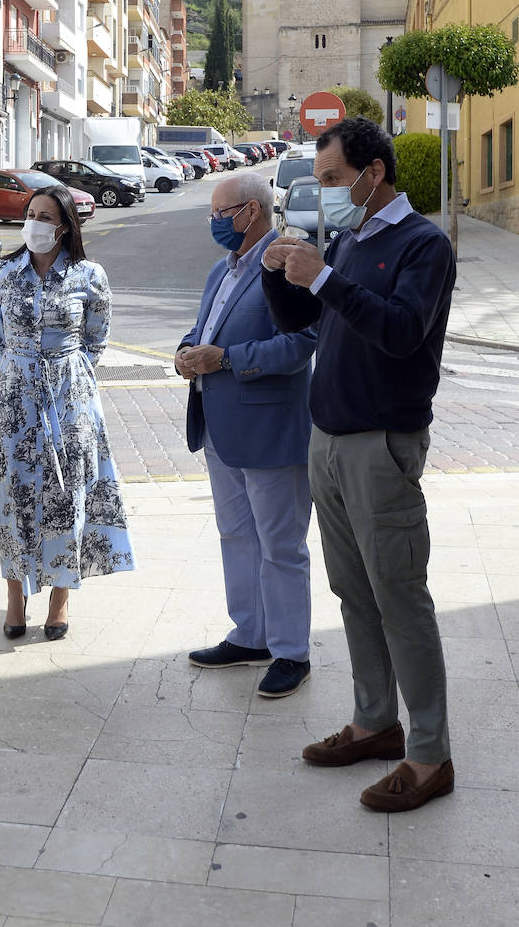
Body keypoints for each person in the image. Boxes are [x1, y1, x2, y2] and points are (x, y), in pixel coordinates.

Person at [261, 116, 456, 813]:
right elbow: (304, 322)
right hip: (329, 439)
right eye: (320, 181)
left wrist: (324, 276)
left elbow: (401, 332)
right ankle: (375, 722)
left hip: (383, 444)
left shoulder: (424, 243)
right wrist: (281, 277)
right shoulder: (349, 239)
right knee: (353, 590)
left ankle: (429, 755)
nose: (325, 192)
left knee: (400, 595)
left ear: (374, 173)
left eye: (334, 179)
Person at [176, 171, 316, 698]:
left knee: (280, 546)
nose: (213, 221)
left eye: (220, 212)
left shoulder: (288, 263)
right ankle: (250, 635)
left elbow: (301, 344)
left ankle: (291, 652)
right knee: (236, 535)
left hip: (271, 430)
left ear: (250, 212)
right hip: (220, 427)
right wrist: (186, 352)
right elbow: (203, 329)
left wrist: (228, 360)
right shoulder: (223, 268)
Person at [0, 184, 134, 640]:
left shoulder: (89, 275)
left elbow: (97, 338)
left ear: (65, 226)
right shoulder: (0, 273)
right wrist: (11, 383)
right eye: (31, 214)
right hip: (15, 398)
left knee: (67, 497)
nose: (34, 223)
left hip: (71, 400)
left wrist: (71, 378)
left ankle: (60, 598)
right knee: (13, 499)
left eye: (45, 217)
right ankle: (15, 595)